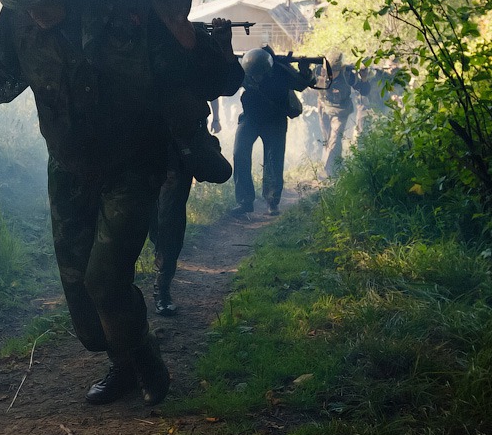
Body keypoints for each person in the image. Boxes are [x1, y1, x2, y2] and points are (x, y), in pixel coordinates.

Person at [0, 0, 234, 406]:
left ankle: (146, 362)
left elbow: (223, 79)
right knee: (84, 304)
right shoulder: (20, 19)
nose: (39, 16)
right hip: (68, 166)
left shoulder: (132, 10)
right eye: (29, 7)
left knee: (105, 280)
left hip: (135, 163)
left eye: (47, 3)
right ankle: (122, 361)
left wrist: (182, 32)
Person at [148, 21, 243, 317]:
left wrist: (224, 45)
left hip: (181, 145)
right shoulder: (140, 35)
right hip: (142, 143)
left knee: (171, 222)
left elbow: (227, 83)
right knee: (146, 221)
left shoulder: (197, 42)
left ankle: (162, 287)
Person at [230, 47, 316, 217]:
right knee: (239, 153)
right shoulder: (245, 71)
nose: (255, 77)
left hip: (274, 120)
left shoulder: (281, 71)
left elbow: (301, 84)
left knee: (274, 159)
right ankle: (245, 201)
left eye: (259, 74)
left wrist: (304, 70)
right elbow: (228, 85)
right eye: (252, 75)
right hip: (250, 118)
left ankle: (272, 201)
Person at [317, 52, 369, 177]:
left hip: (341, 110)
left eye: (335, 71)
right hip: (324, 108)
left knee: (335, 138)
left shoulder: (348, 75)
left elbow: (364, 90)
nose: (332, 74)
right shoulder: (320, 71)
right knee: (327, 138)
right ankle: (336, 165)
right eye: (330, 70)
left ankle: (328, 170)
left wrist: (364, 78)